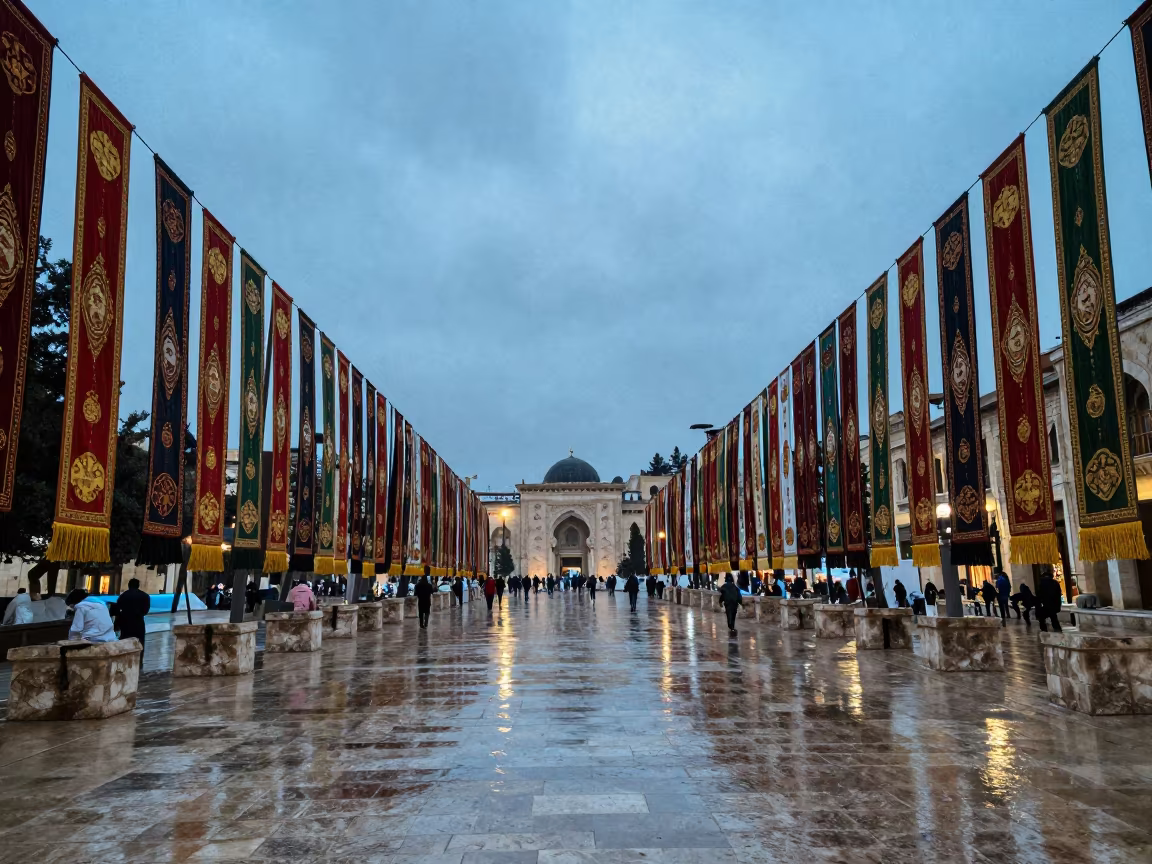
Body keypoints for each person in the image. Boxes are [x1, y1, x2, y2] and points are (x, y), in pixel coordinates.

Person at [115, 578, 150, 649]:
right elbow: (145, 611)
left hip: (125, 623)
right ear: (138, 586)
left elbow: (117, 610)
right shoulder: (145, 596)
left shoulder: (123, 596)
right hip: (138, 623)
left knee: (125, 644)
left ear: (129, 585)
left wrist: (117, 623)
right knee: (139, 644)